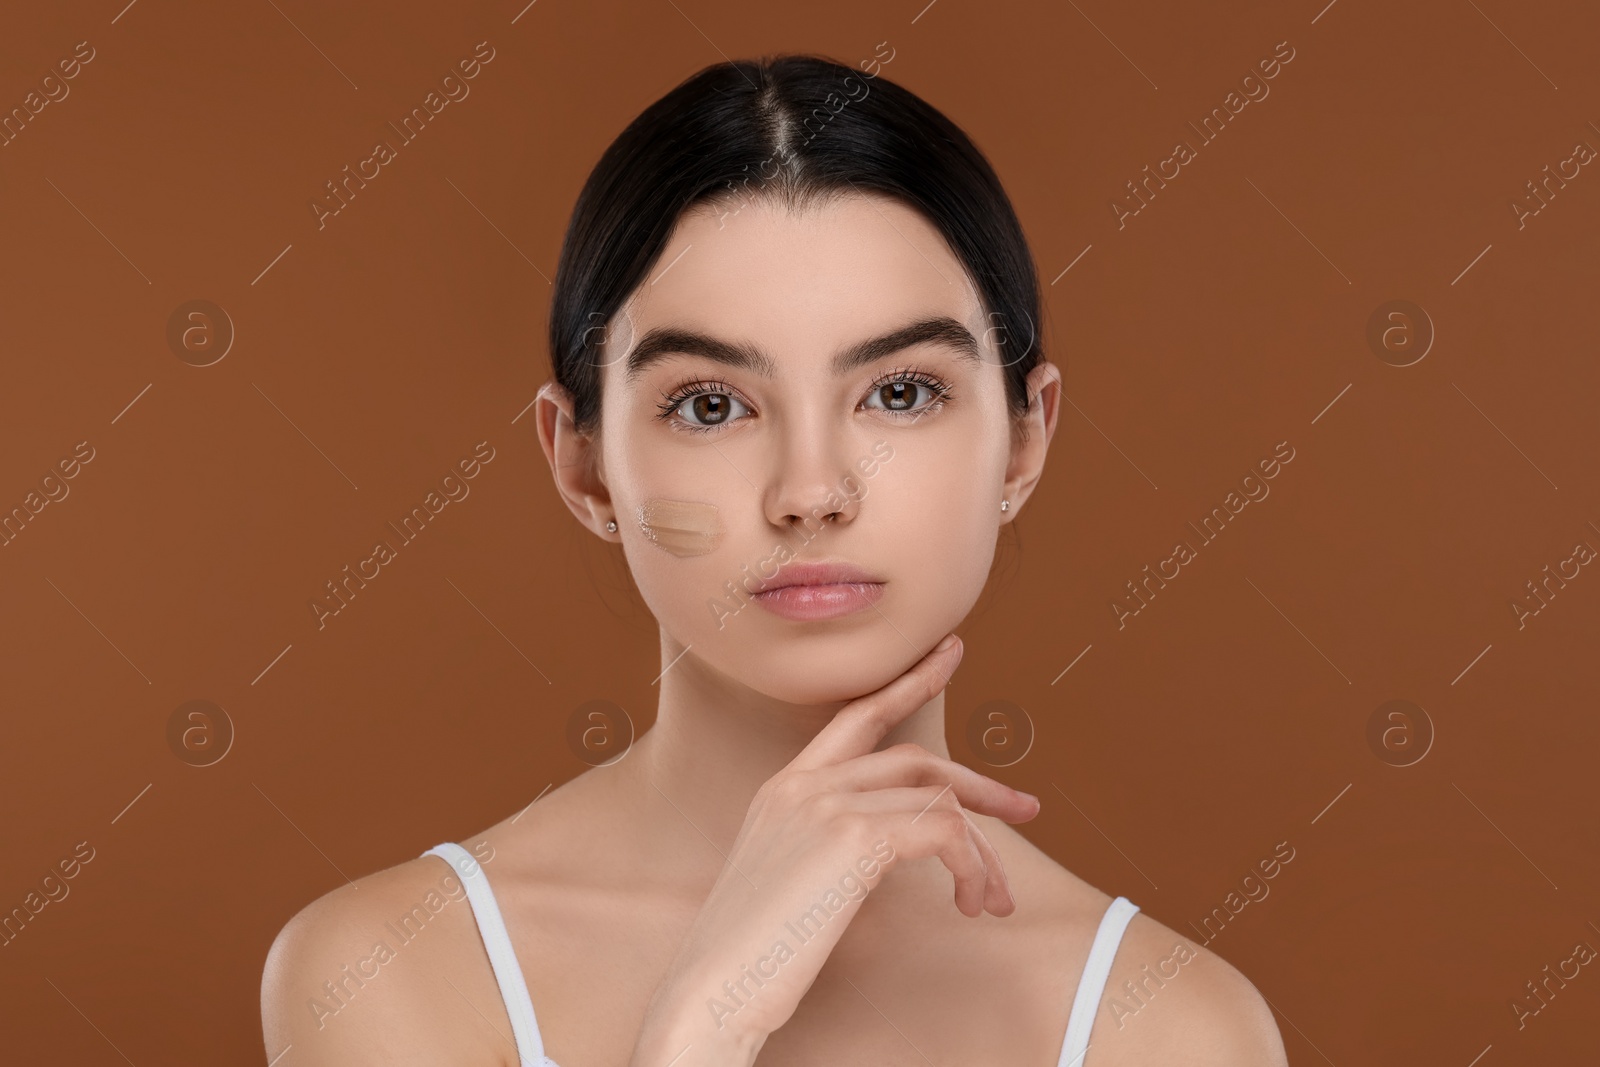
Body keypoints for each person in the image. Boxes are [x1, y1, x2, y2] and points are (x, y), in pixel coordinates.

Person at [261, 53, 1289, 1066]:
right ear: (584, 468)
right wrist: (701, 1025)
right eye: (711, 405)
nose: (810, 491)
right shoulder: (392, 972)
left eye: (899, 392)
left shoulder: (1170, 1028)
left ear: (1024, 440)